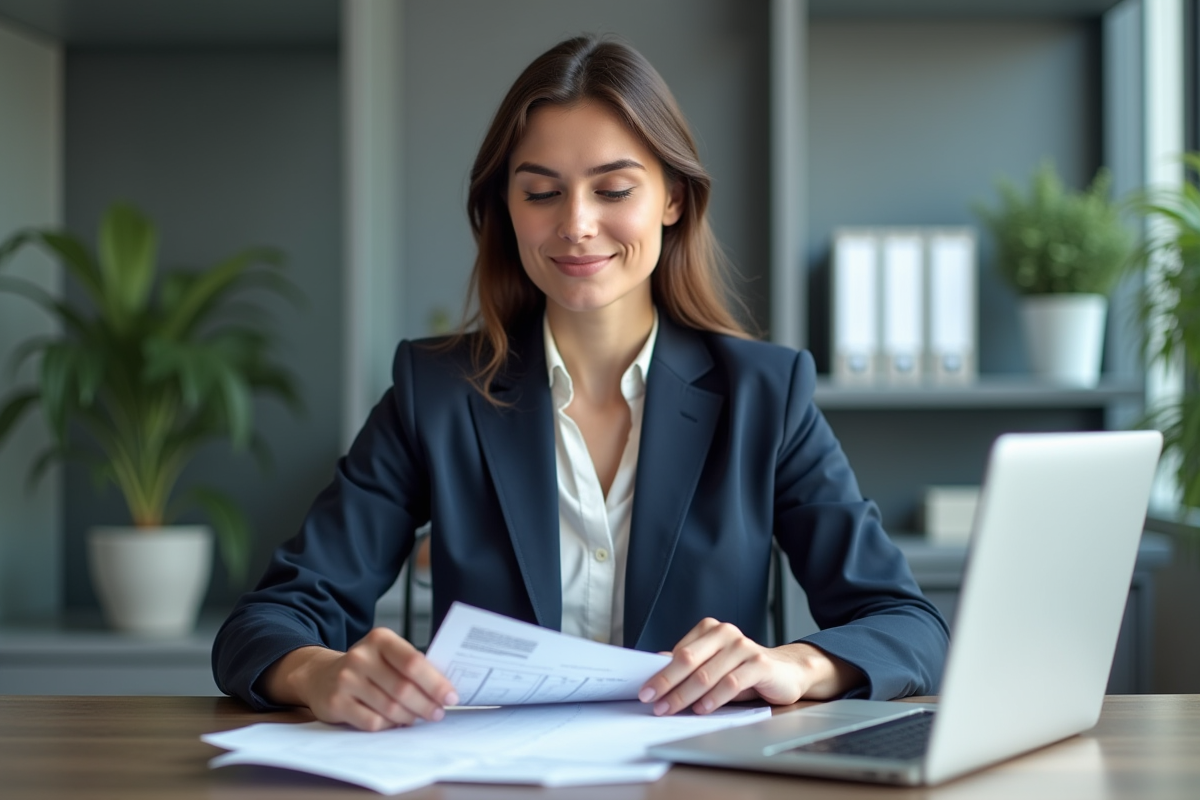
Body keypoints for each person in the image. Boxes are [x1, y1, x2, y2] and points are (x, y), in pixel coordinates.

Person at [212, 35, 949, 732]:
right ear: (506, 209)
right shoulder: (434, 393)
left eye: (614, 189)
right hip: (494, 781)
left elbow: (908, 626)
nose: (576, 224)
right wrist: (318, 672)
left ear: (672, 199)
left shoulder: (765, 394)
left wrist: (797, 664)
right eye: (541, 193)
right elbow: (266, 621)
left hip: (698, 780)